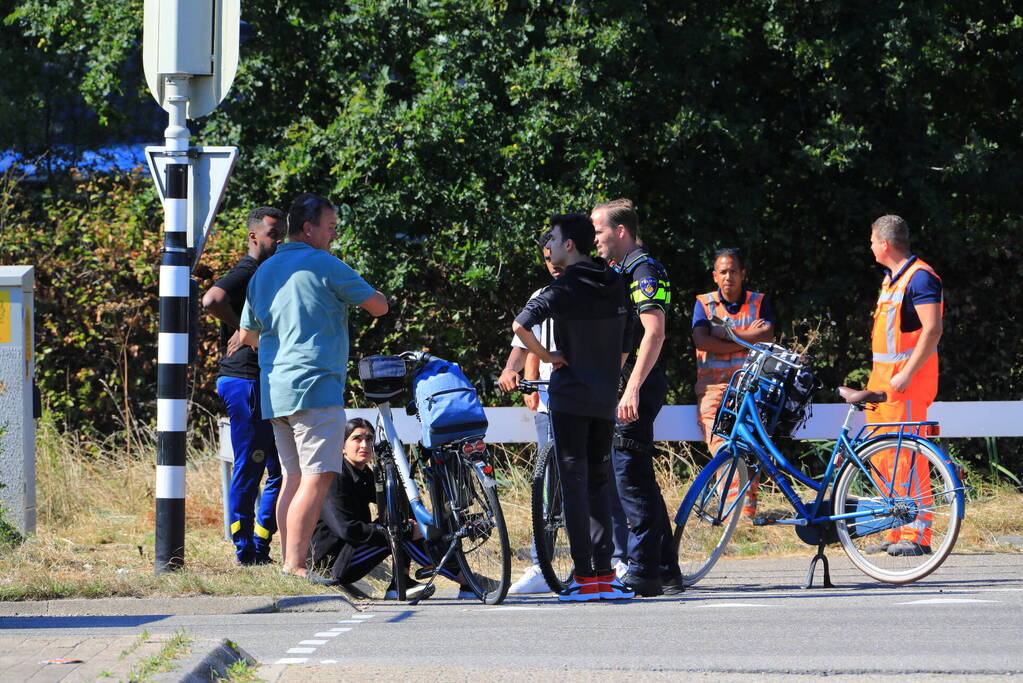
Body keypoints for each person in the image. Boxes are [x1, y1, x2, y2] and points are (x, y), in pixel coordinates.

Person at [239, 193, 389, 584]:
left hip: (277, 390)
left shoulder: (264, 271)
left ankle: (287, 566)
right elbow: (378, 307)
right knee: (317, 477)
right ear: (309, 228)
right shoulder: (325, 264)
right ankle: (296, 565)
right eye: (331, 226)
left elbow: (247, 334)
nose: (334, 234)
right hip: (315, 387)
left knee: (291, 477)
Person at [511, 213, 635, 602]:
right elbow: (630, 336)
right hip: (603, 398)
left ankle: (583, 577)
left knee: (574, 486)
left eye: (552, 238)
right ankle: (605, 577)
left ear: (570, 245)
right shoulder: (615, 281)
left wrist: (548, 355)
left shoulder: (563, 288)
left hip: (569, 398)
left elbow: (520, 325)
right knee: (600, 483)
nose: (547, 245)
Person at [591, 198, 683, 597]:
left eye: (599, 230)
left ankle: (643, 570)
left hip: (636, 388)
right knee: (635, 477)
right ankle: (665, 568)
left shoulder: (644, 269)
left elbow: (655, 332)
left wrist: (630, 388)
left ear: (621, 231)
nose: (595, 238)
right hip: (623, 386)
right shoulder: (621, 270)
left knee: (630, 479)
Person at [202, 207, 286, 566]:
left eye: (282, 231)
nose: (278, 238)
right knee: (251, 467)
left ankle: (261, 544)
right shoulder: (247, 270)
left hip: (265, 381)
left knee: (281, 471)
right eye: (272, 232)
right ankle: (244, 551)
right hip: (245, 381)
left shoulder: (268, 272)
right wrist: (243, 330)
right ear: (254, 236)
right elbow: (212, 299)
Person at [864, 215, 943, 557]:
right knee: (884, 457)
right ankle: (896, 529)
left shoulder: (920, 277)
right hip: (885, 382)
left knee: (909, 457)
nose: (869, 245)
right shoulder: (893, 279)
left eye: (871, 240)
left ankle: (918, 534)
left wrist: (908, 373)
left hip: (906, 383)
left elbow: (932, 329)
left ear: (885, 243)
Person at [309, 418, 457, 600]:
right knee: (400, 530)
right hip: (331, 564)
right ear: (342, 446)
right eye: (356, 439)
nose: (364, 444)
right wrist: (403, 530)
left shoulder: (362, 472)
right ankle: (464, 580)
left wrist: (391, 470)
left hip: (349, 551)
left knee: (401, 522)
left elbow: (397, 504)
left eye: (369, 439)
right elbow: (347, 529)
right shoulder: (335, 477)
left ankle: (401, 582)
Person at [691, 248, 775, 519]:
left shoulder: (759, 301)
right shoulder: (703, 304)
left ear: (743, 274)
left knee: (751, 449)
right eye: (723, 272)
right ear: (715, 276)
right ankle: (730, 514)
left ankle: (746, 516)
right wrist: (746, 339)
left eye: (733, 271)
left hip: (751, 388)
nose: (729, 277)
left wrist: (724, 333)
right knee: (724, 448)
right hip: (713, 391)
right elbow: (702, 341)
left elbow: (768, 334)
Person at [498, 243, 561, 595]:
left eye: (557, 257)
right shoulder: (541, 295)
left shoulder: (592, 287)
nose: (552, 265)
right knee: (547, 487)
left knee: (597, 481)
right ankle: (542, 564)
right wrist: (511, 370)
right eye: (547, 260)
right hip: (549, 406)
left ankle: (615, 559)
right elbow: (521, 342)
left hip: (583, 400)